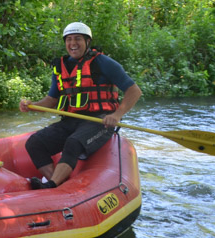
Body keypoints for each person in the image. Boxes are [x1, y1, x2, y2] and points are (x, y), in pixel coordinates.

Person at [19, 22, 142, 189]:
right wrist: (33, 105)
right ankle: (57, 183)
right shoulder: (60, 66)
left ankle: (52, 184)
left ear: (87, 42)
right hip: (71, 121)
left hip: (99, 121)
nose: (73, 43)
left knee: (73, 142)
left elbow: (134, 90)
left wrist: (117, 115)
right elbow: (52, 100)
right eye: (69, 39)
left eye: (78, 39)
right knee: (34, 143)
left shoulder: (103, 63)